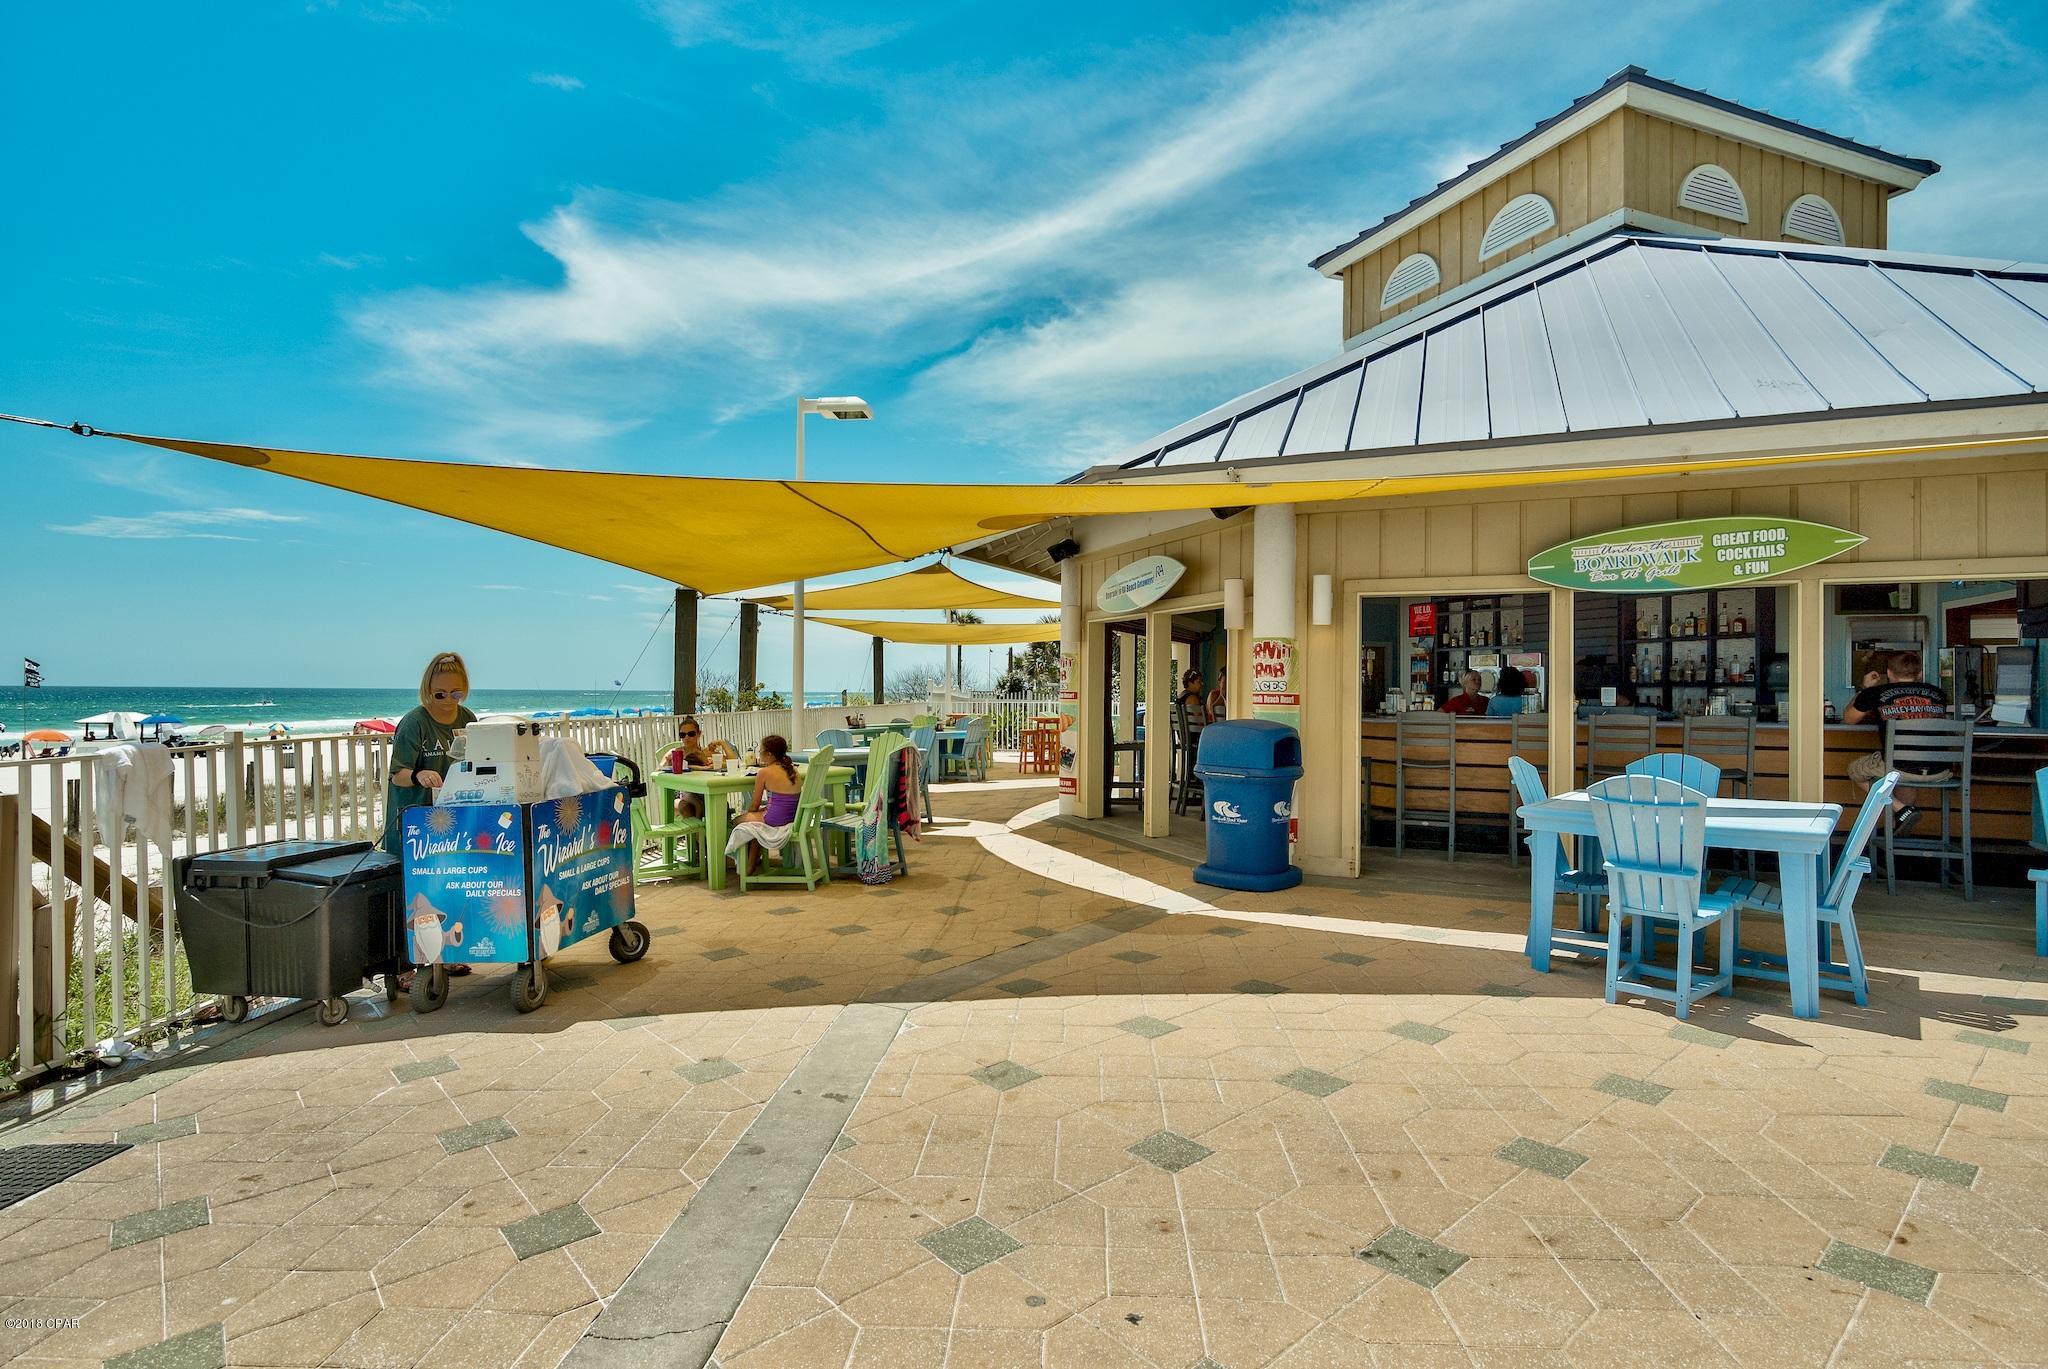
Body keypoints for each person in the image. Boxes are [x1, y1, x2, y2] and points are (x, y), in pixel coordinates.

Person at [382, 651, 478, 986]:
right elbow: (396, 774)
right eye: (441, 694)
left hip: (450, 822)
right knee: (411, 895)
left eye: (456, 693)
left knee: (446, 887)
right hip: (412, 822)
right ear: (427, 691)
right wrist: (419, 774)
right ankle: (405, 967)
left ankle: (445, 956)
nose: (449, 701)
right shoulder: (414, 722)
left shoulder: (467, 718)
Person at [1844, 650, 1949, 833]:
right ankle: (1897, 829)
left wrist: (1865, 689)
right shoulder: (1938, 694)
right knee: (1903, 777)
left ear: (1890, 673)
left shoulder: (1876, 693)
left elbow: (1849, 718)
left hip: (1899, 768)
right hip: (1940, 770)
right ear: (1920, 673)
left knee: (1855, 770)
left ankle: (1901, 809)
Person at [726, 734, 804, 875]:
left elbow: (754, 805)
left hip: (774, 819)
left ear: (768, 754)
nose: (759, 754)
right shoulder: (794, 770)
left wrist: (750, 813)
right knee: (755, 824)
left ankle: (742, 862)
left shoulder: (764, 772)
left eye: (760, 751)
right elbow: (782, 801)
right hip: (792, 817)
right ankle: (752, 862)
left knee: (736, 821)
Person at [660, 716, 735, 819]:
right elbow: (659, 768)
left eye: (691, 734)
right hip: (682, 792)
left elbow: (733, 762)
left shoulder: (706, 752)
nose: (686, 737)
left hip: (706, 792)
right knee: (686, 807)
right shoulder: (676, 752)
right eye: (682, 735)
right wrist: (669, 763)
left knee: (721, 804)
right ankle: (697, 834)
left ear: (699, 734)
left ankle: (717, 833)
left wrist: (722, 743)